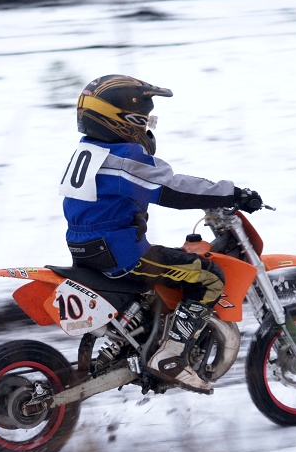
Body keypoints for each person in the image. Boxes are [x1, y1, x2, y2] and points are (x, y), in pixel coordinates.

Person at [60, 75, 263, 393]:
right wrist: (232, 194)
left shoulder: (88, 151)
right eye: (142, 120)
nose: (146, 128)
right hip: (121, 253)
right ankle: (171, 357)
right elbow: (172, 189)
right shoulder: (122, 158)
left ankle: (138, 340)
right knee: (210, 276)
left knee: (165, 273)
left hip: (85, 247)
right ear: (122, 121)